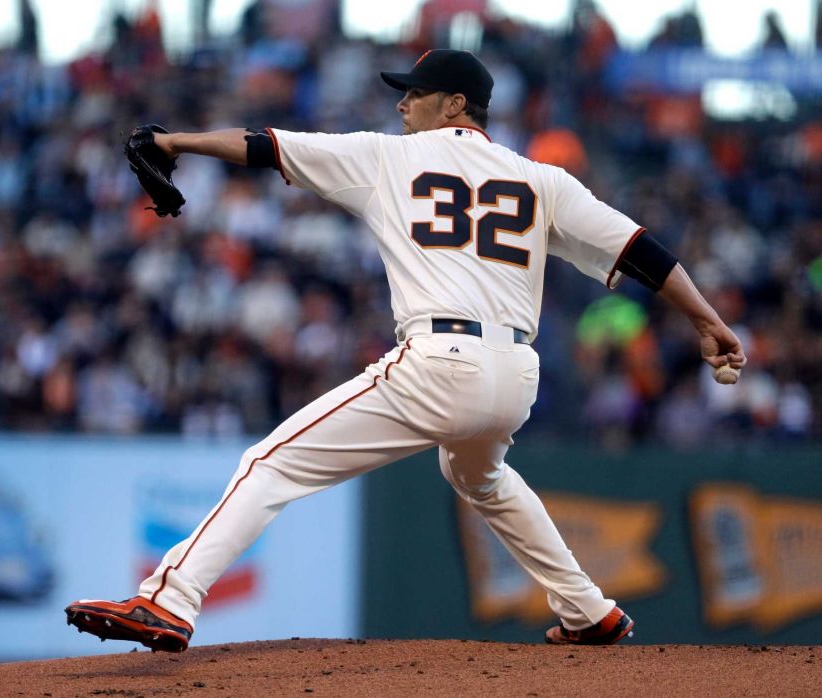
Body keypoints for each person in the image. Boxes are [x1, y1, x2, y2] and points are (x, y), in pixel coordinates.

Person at [66, 49, 746, 651]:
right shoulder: (542, 180)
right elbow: (639, 249)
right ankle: (588, 610)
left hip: (438, 363)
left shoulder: (388, 157)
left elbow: (264, 145)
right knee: (478, 476)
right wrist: (707, 319)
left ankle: (168, 598)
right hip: (514, 378)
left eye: (414, 93)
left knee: (270, 463)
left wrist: (176, 140)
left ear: (454, 104)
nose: (401, 102)